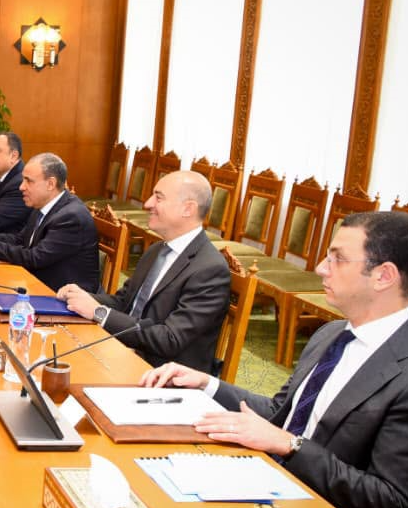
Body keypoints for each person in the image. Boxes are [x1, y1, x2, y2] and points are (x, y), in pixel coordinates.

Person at [139, 211, 408, 508]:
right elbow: (281, 412)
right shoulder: (331, 334)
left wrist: (290, 445)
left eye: (338, 259)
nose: (321, 268)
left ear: (384, 276)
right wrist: (206, 384)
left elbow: (391, 498)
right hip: (266, 476)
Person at [60, 171, 230, 372]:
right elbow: (124, 302)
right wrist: (83, 297)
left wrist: (99, 312)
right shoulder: (157, 250)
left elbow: (170, 339)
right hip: (122, 352)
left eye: (158, 197)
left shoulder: (210, 270)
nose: (148, 204)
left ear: (188, 209)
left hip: (162, 375)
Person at [0, 152, 98, 293]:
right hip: (35, 282)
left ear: (50, 184)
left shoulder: (71, 217)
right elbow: (20, 240)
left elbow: (35, 258)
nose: (21, 187)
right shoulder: (42, 204)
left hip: (62, 296)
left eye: (29, 181)